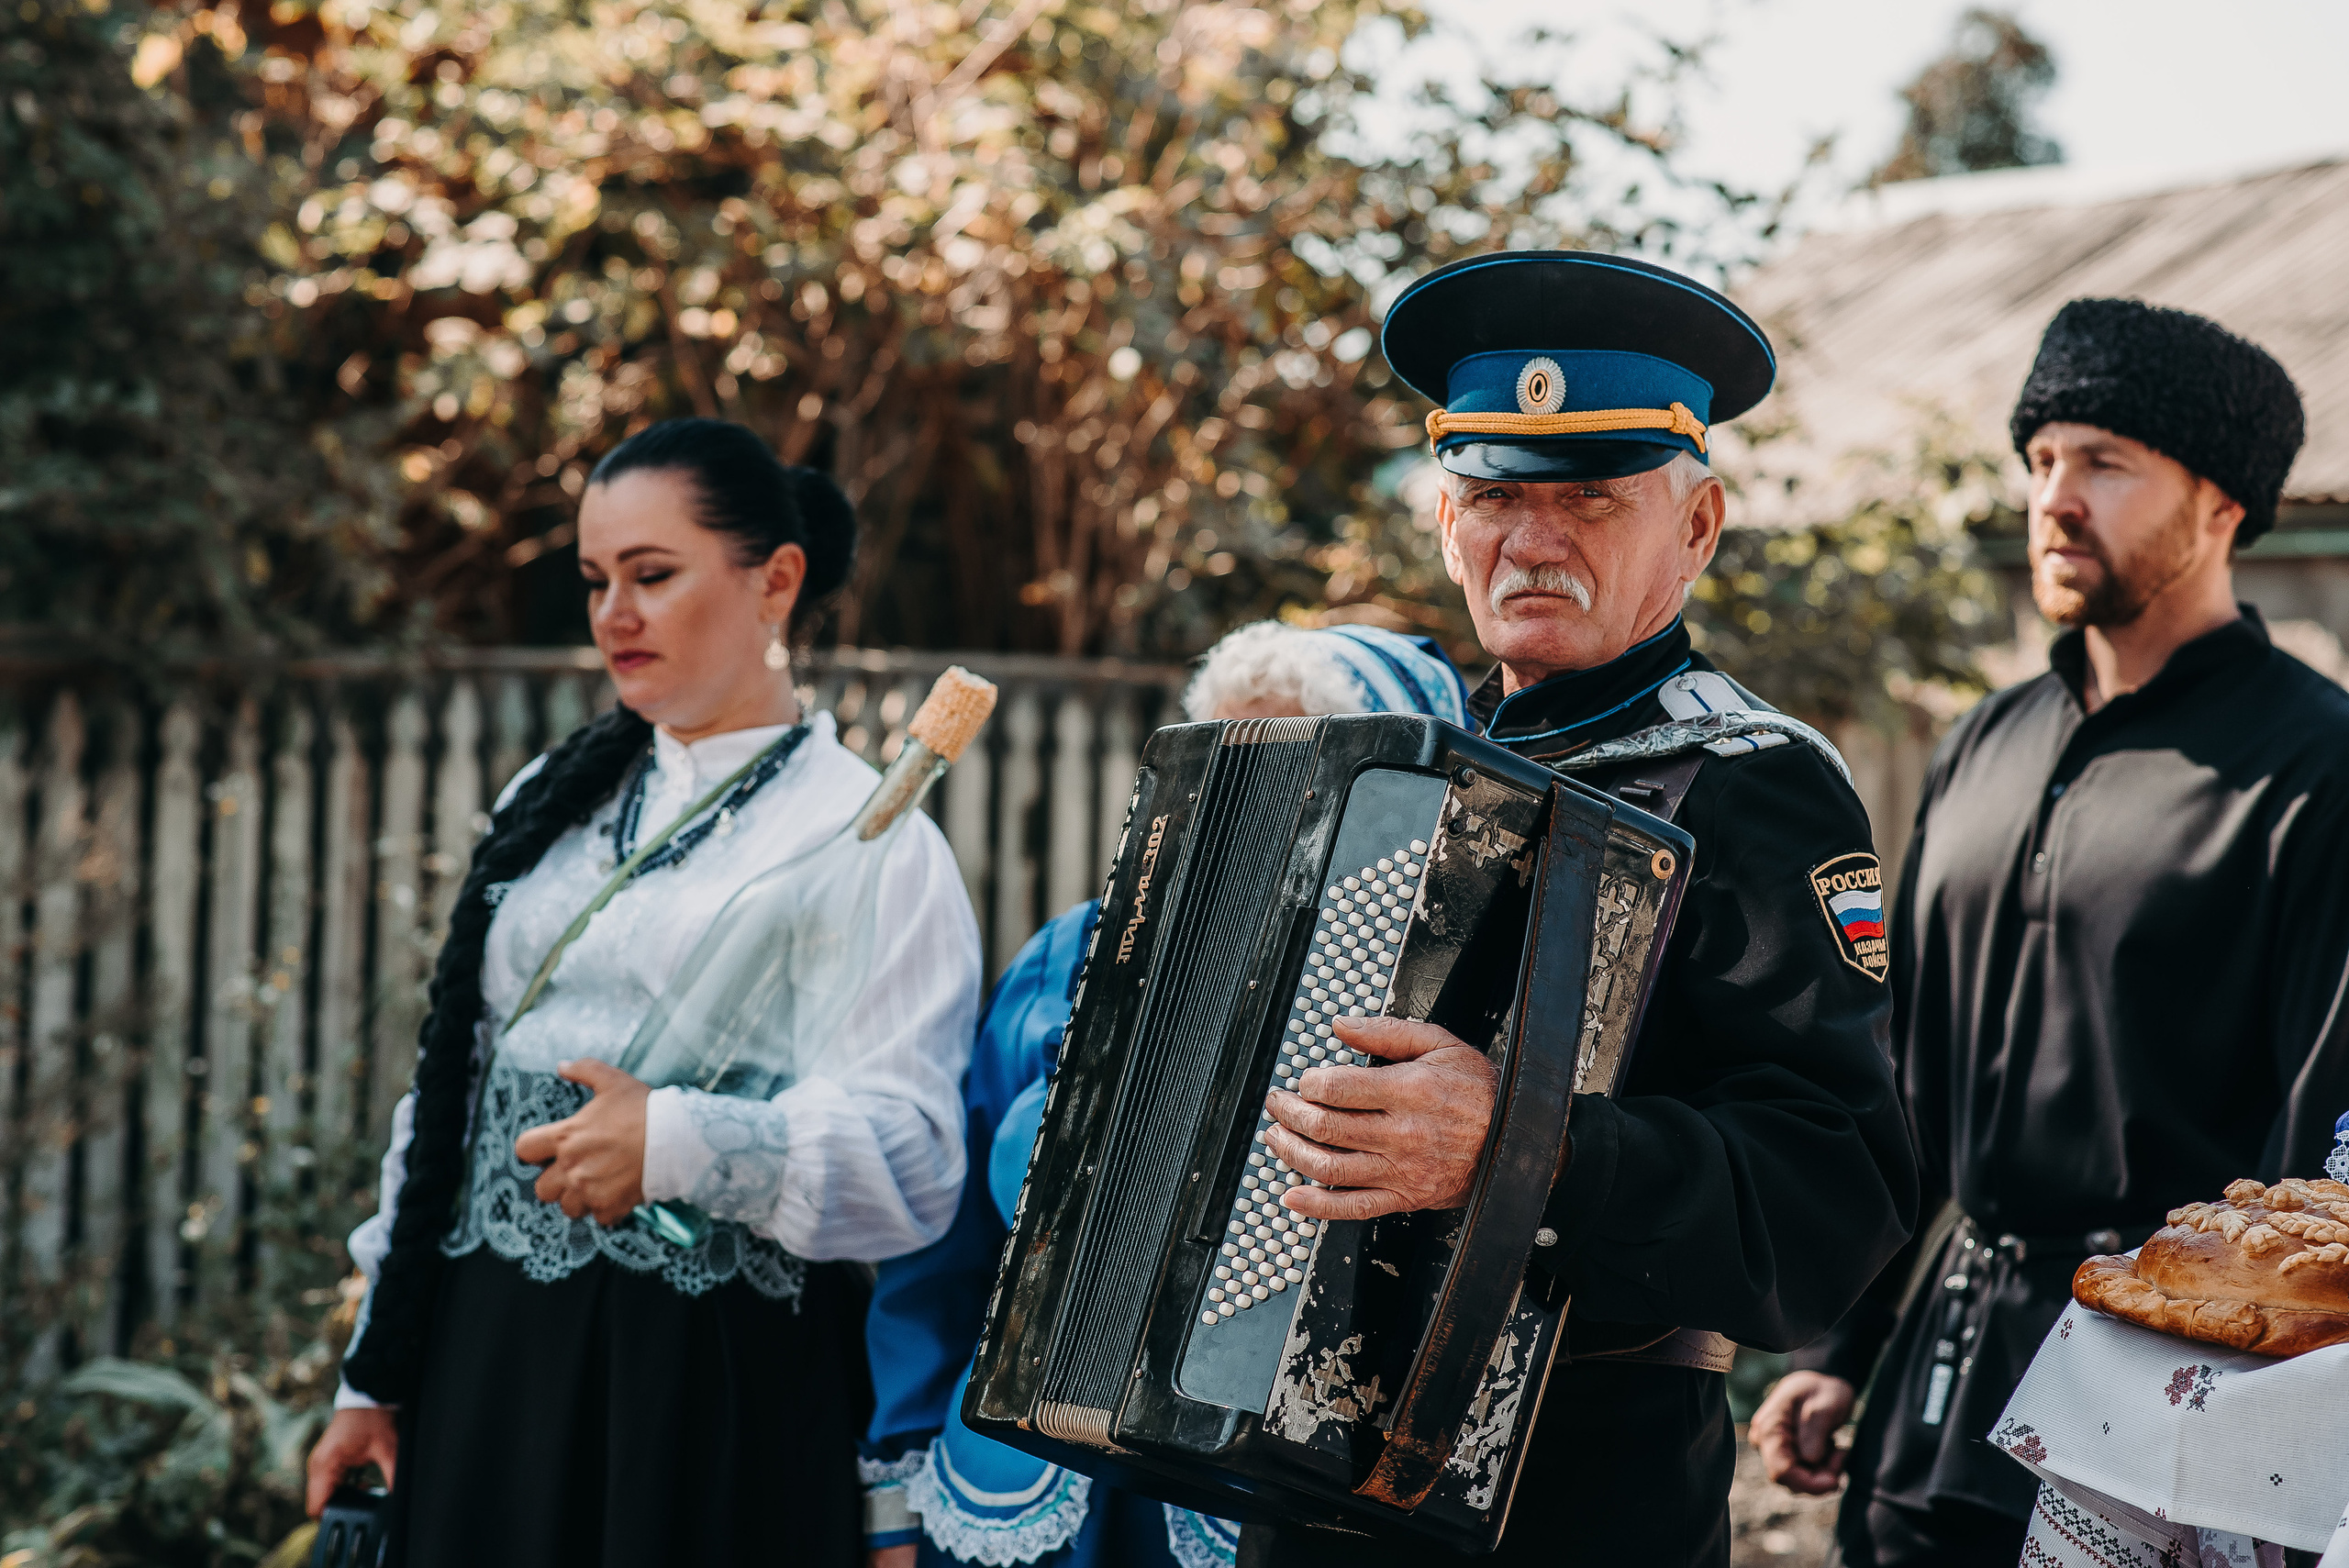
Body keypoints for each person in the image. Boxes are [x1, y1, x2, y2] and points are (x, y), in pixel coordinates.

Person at [1233, 250, 1919, 1568]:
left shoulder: (1754, 790)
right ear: (1446, 523)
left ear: (1700, 527)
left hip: (1578, 1506)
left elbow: (1833, 1196)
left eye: (1595, 498)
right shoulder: (1391, 777)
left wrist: (1521, 1149)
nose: (1534, 539)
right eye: (1495, 494)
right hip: (1304, 1497)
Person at [303, 417, 984, 1567]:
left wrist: (674, 1140)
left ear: (775, 581)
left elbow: (913, 1164)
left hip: (703, 1379)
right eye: (594, 579)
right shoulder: (550, 797)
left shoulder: (869, 834)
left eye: (652, 575)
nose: (614, 613)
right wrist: (377, 1362)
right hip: (487, 1359)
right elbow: (449, 1095)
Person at [1751, 298, 2349, 1567]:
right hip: (1933, 1405)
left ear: (2223, 505)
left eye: (2105, 463)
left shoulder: (2319, 767)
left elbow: (2319, 1157)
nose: (2055, 498)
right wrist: (1840, 1348)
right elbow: (1903, 1072)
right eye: (2040, 461)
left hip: (2159, 1434)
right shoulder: (1986, 740)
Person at [862, 621, 1473, 1568]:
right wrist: (896, 1496)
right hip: (1006, 1499)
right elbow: (948, 1244)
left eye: (1299, 770)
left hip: (1254, 1507)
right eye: (1225, 763)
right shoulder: (1077, 951)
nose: (1248, 804)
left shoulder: (1426, 1030)